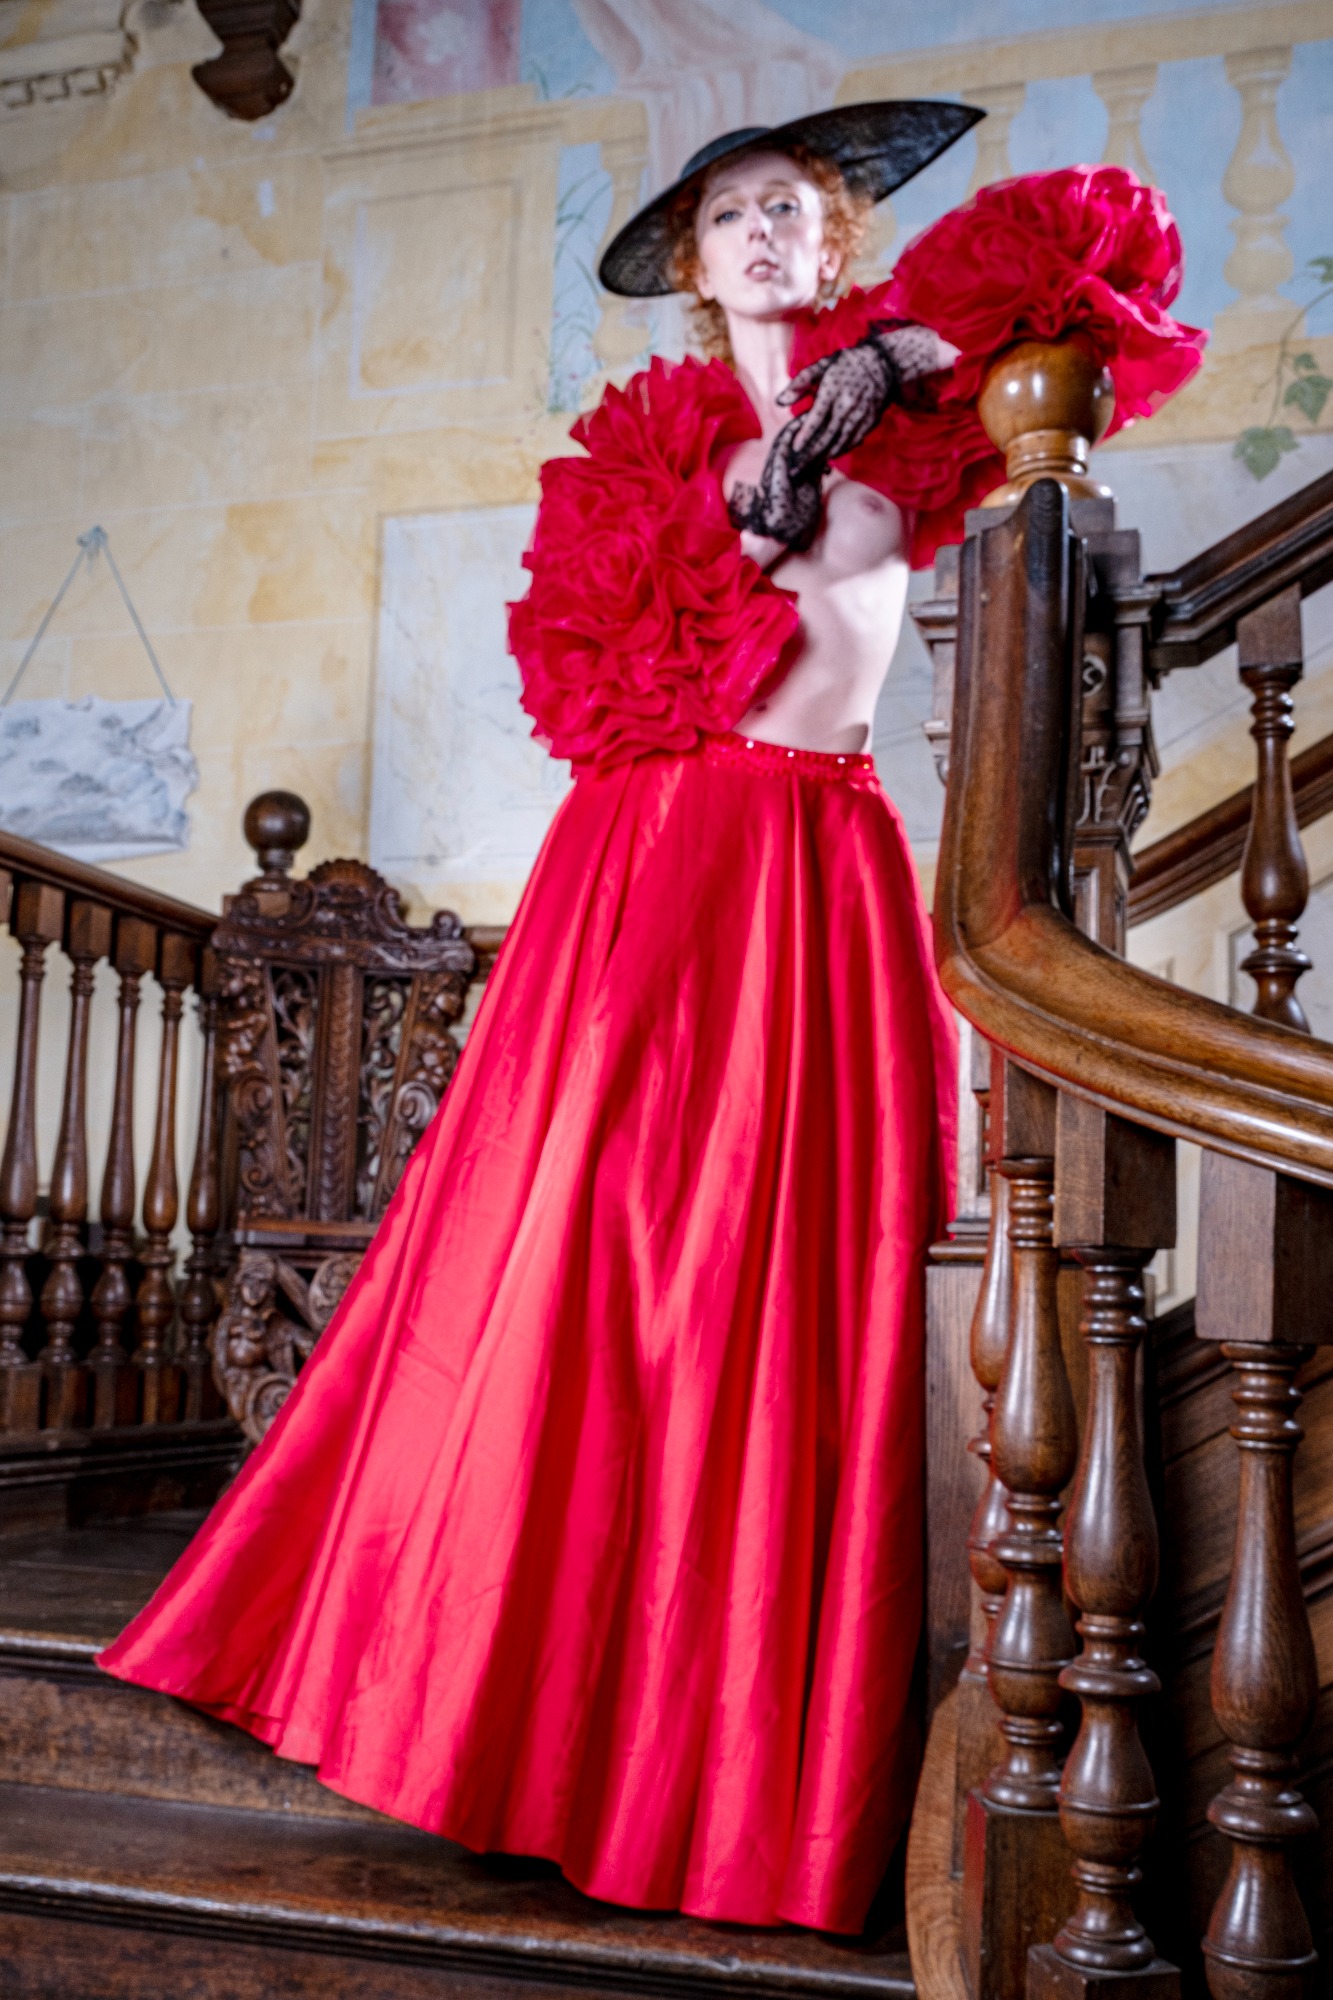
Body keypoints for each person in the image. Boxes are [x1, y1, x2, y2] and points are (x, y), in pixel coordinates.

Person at [100, 100, 982, 1937]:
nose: (759, 234)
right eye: (726, 216)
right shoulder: (639, 458)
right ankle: (514, 1716)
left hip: (828, 871)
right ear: (693, 267)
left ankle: (742, 1766)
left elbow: (1102, 273)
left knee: (808, 1283)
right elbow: (591, 686)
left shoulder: (919, 424)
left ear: (834, 241)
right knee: (608, 1261)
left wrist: (902, 352)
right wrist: (733, 524)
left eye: (790, 209)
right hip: (660, 864)